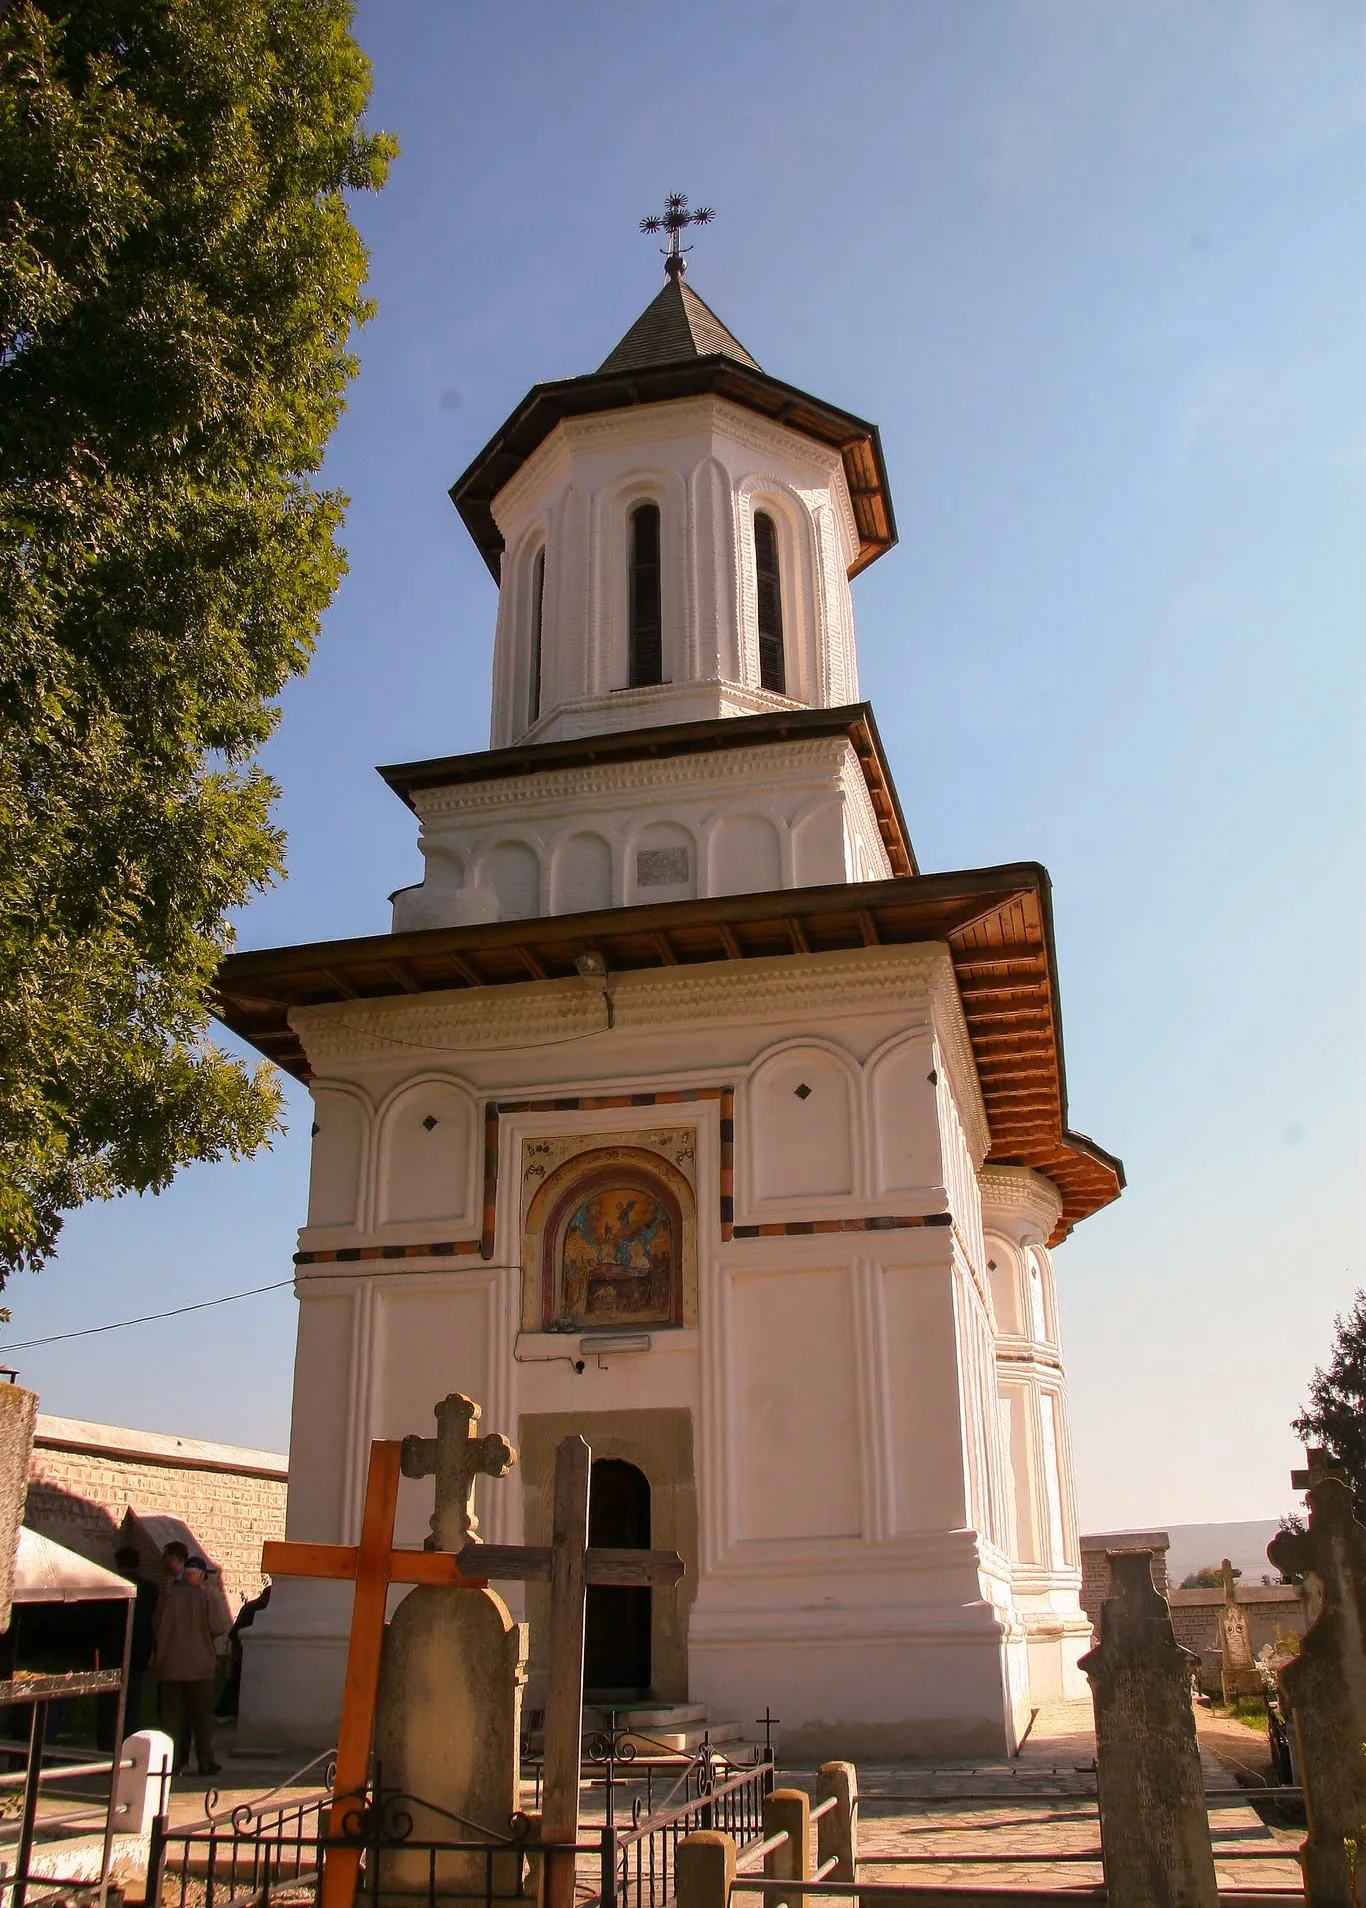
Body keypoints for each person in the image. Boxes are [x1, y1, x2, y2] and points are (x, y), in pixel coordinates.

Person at [151, 1554, 223, 1776]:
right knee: (201, 1717)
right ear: (201, 1576)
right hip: (199, 1666)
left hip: (169, 1665)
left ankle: (169, 1763)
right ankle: (205, 1761)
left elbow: (155, 1626)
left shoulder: (167, 1598)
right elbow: (218, 1627)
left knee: (170, 1718)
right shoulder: (206, 1598)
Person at [108, 1547, 158, 1743]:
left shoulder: (112, 1584)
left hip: (113, 1649)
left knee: (110, 1701)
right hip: (140, 1650)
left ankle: (108, 1741)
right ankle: (129, 1738)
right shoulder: (150, 1589)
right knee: (133, 1698)